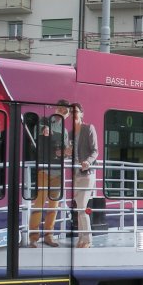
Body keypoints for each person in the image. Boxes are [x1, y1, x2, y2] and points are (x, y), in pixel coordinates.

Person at [28, 100, 71, 247]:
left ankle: (49, 236)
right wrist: (44, 129)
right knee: (39, 203)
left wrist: (65, 152)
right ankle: (33, 238)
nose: (63, 113)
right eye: (61, 110)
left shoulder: (65, 130)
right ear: (56, 108)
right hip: (44, 169)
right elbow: (36, 134)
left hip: (57, 171)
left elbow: (63, 150)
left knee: (54, 205)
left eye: (66, 112)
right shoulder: (44, 121)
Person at [71, 103, 98, 248]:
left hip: (87, 173)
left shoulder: (88, 128)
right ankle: (81, 239)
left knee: (81, 207)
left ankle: (87, 240)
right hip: (75, 174)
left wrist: (88, 161)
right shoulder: (70, 133)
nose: (73, 114)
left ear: (82, 113)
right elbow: (70, 154)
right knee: (79, 208)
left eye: (76, 111)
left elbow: (95, 151)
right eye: (71, 112)